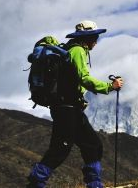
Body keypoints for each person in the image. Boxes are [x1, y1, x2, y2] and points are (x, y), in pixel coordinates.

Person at [27, 20, 124, 188]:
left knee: (93, 145)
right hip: (67, 108)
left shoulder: (70, 49)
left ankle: (94, 184)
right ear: (86, 37)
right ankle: (36, 182)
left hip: (70, 108)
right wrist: (109, 87)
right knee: (61, 148)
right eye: (94, 37)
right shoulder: (77, 50)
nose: (95, 41)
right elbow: (84, 79)